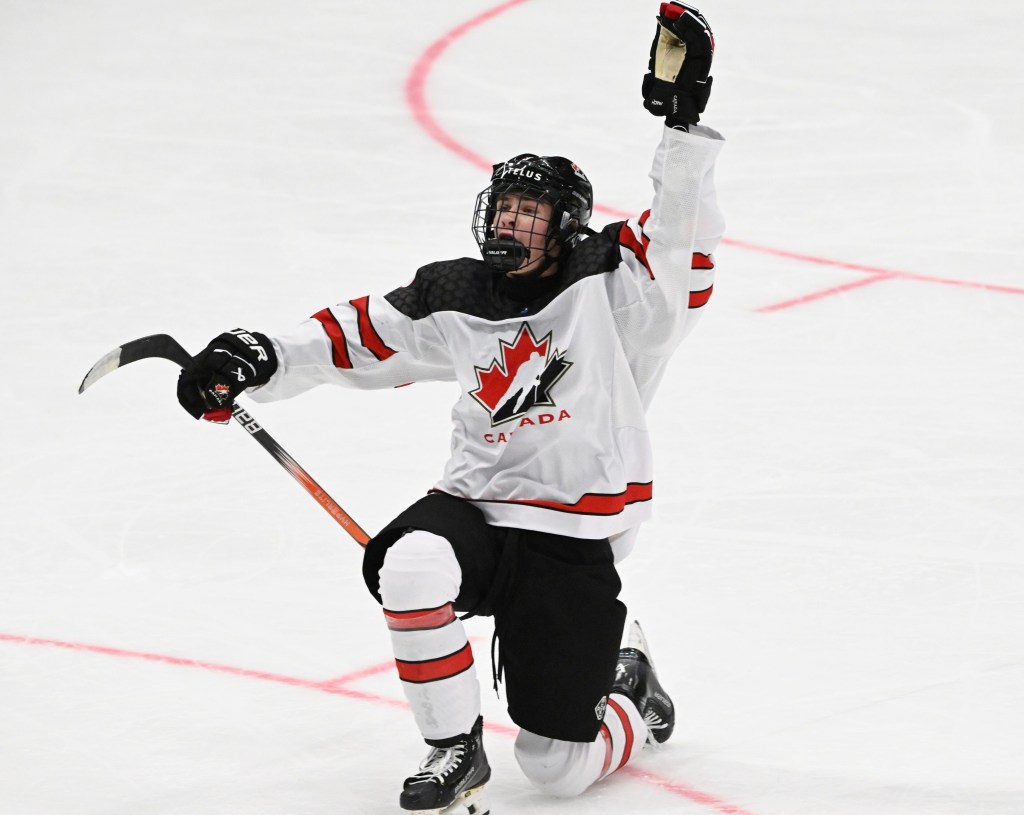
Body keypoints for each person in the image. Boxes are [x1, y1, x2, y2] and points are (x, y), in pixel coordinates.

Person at [176, 3, 724, 812]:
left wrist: (681, 128)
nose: (509, 221)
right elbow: (356, 335)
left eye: (529, 212)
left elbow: (680, 241)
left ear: (566, 224)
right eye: (502, 207)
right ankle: (454, 746)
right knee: (411, 564)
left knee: (557, 768)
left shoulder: (617, 289)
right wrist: (255, 356)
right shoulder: (457, 293)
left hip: (571, 537)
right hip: (474, 508)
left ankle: (630, 690)